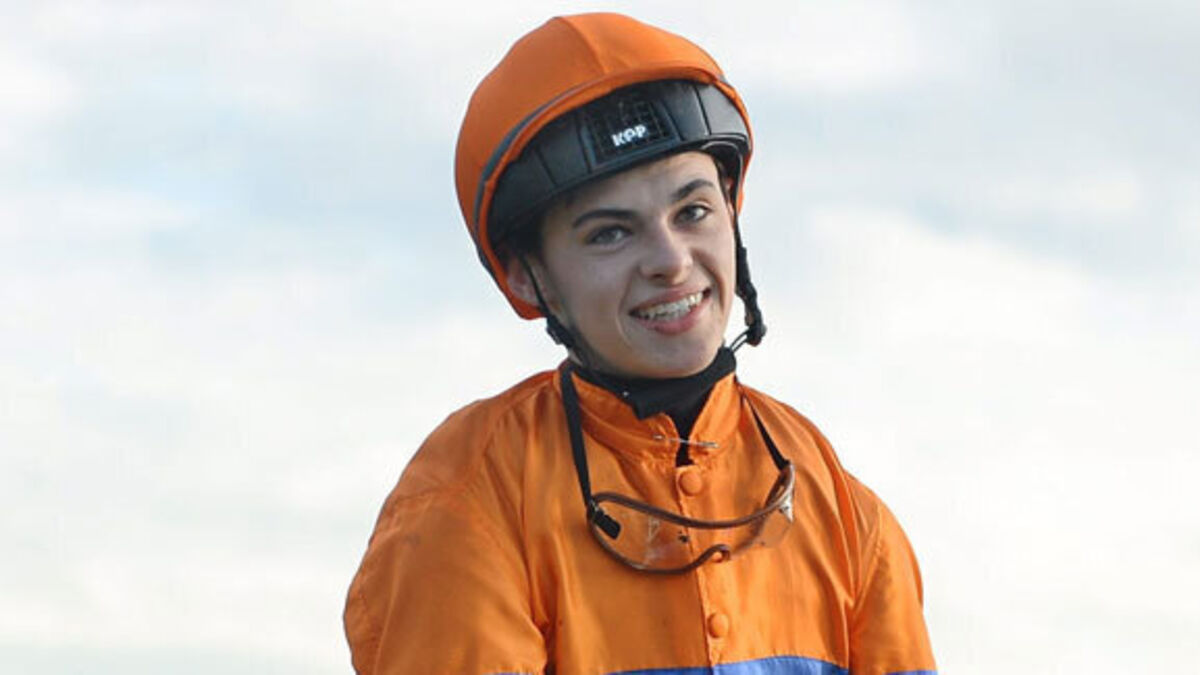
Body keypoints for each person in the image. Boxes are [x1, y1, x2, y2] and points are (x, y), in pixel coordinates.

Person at [345, 12, 936, 675]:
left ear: (731, 211)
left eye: (693, 211)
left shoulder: (839, 504)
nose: (671, 261)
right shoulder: (470, 495)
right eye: (610, 233)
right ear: (525, 274)